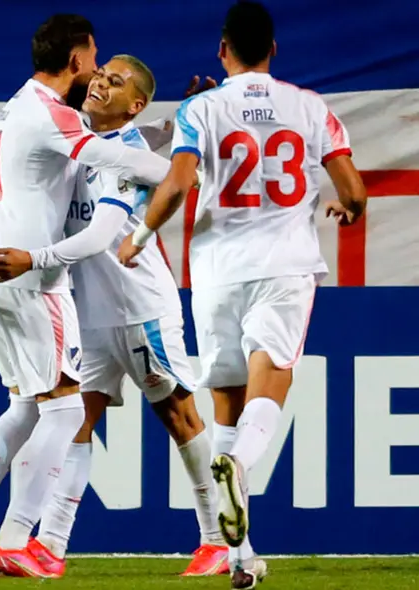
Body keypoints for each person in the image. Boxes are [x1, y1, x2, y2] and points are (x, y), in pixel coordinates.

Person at [0, 57, 229, 578]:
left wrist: (33, 260)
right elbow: (14, 190)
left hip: (138, 307)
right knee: (74, 423)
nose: (101, 82)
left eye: (116, 82)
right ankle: (49, 544)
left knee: (180, 418)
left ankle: (217, 539)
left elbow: (103, 234)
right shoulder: (75, 136)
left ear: (134, 104)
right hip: (87, 311)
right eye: (102, 73)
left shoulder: (124, 154)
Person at [117, 2, 367, 588]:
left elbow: (178, 181)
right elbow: (353, 189)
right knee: (269, 386)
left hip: (215, 269)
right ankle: (238, 468)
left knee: (226, 408)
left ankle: (239, 557)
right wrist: (348, 209)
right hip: (284, 267)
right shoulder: (310, 106)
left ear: (222, 50)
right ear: (274, 50)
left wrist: (141, 234)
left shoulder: (201, 108)